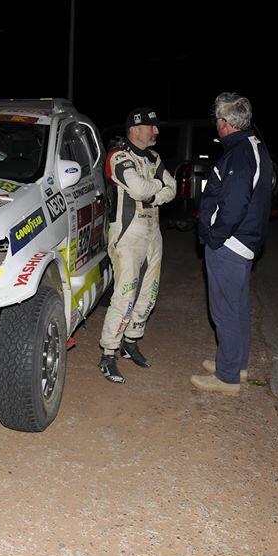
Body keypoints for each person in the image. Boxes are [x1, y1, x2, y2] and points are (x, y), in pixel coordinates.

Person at [191, 92, 272, 396]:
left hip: (231, 244)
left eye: (217, 119)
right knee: (237, 308)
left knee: (224, 311)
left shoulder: (239, 154)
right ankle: (235, 364)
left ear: (224, 122)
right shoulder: (252, 145)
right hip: (244, 243)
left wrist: (214, 237)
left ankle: (227, 379)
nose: (216, 124)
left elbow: (234, 204)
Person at [98, 108, 176, 383]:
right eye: (151, 127)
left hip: (153, 231)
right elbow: (139, 189)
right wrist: (155, 186)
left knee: (149, 292)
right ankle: (108, 353)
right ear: (135, 129)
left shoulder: (154, 157)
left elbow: (172, 188)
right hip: (128, 233)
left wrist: (153, 195)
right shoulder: (118, 156)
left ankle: (130, 341)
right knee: (126, 294)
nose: (156, 131)